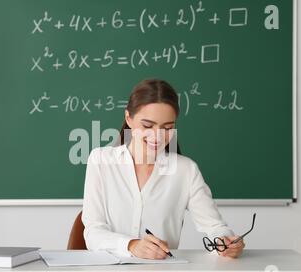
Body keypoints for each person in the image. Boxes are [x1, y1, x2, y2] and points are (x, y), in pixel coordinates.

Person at [82, 79, 244, 259]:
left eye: (167, 128)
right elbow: (93, 232)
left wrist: (226, 242)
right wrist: (131, 245)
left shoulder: (186, 170)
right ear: (129, 119)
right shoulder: (101, 160)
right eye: (147, 126)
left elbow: (215, 227)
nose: (157, 136)